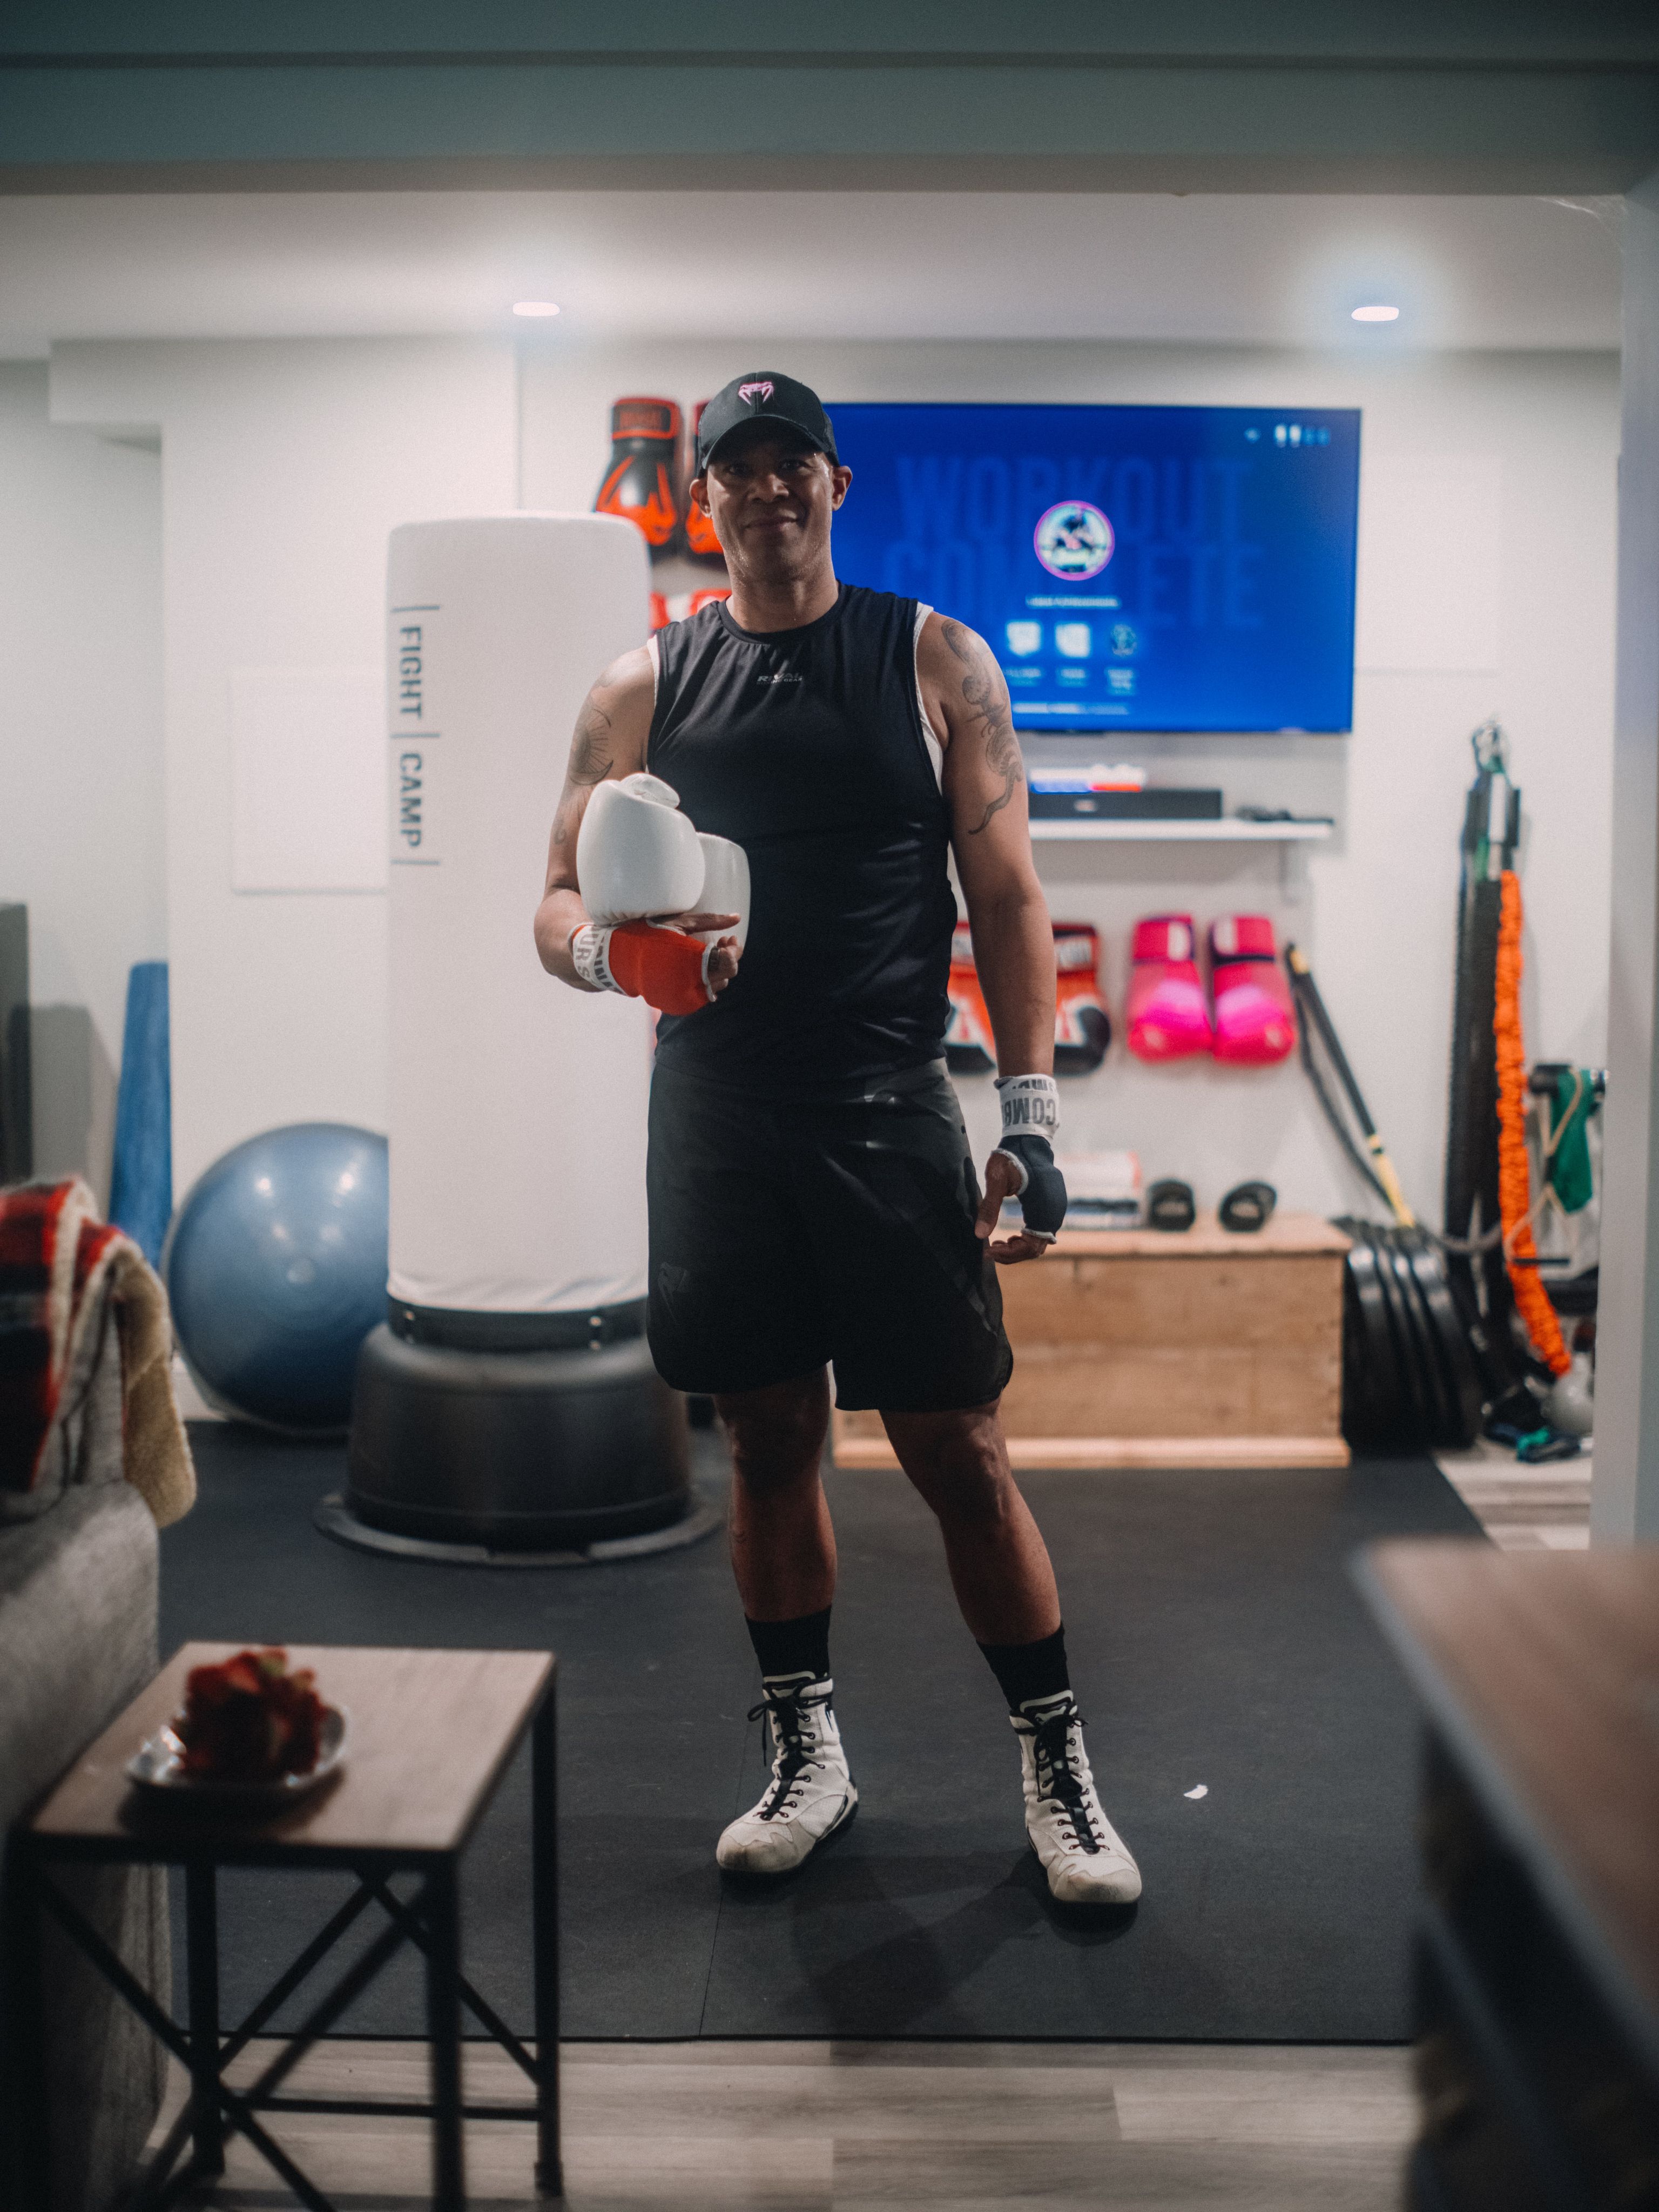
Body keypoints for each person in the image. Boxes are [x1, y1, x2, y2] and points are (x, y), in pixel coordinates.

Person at [534, 371, 1139, 1907]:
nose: (767, 492)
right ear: (706, 498)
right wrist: (620, 960)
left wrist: (1032, 1112)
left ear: (835, 485)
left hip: (887, 1108)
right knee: (769, 1439)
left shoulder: (933, 657)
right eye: (738, 471)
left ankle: (1058, 1764)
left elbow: (1007, 901)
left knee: (958, 1446)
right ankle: (809, 1751)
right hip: (721, 1112)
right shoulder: (642, 686)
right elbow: (551, 905)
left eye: (792, 465)